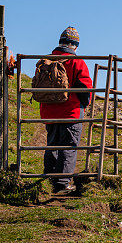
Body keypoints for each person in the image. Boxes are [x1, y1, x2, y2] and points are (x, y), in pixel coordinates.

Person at [40, 27, 93, 193]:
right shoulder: (77, 62)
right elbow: (86, 88)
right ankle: (62, 184)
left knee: (52, 145)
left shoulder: (46, 61)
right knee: (68, 146)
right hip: (71, 112)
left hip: (49, 112)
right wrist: (85, 103)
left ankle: (48, 180)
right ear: (75, 45)